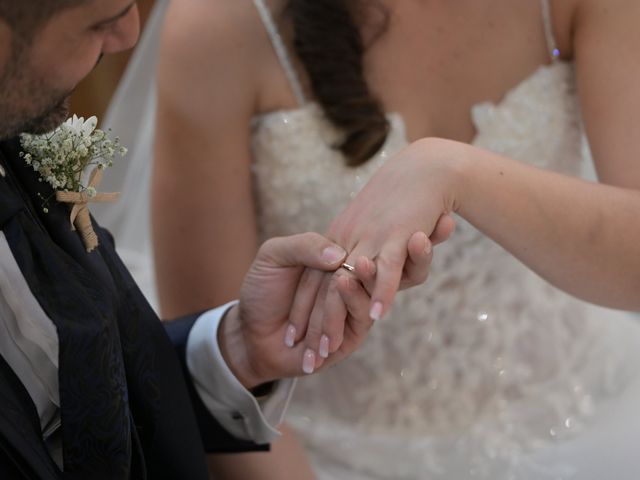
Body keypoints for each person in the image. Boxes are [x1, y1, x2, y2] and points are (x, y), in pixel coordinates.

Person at [101, 0, 640, 479]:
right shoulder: (220, 24)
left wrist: (454, 172)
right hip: (324, 456)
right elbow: (218, 375)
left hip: (588, 417)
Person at [0, 1, 441, 478]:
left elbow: (93, 399)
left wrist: (235, 351)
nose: (129, 36)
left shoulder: (19, 149)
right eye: (102, 21)